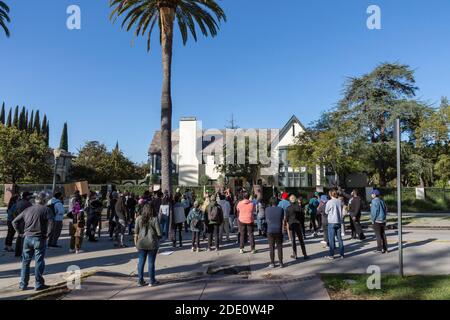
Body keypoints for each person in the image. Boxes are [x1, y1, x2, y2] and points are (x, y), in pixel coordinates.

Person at [12, 192, 52, 291]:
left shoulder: (27, 210)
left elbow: (14, 221)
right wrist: (48, 235)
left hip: (27, 238)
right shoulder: (46, 209)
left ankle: (23, 284)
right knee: (39, 261)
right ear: (44, 201)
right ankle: (38, 284)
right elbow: (51, 224)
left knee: (25, 262)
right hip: (39, 238)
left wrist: (20, 233)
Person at [134, 202, 162, 287]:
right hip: (152, 243)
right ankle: (152, 281)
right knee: (151, 263)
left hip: (141, 243)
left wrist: (136, 243)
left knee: (141, 262)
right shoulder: (154, 219)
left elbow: (136, 233)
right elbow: (159, 233)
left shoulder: (138, 218)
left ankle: (140, 280)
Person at [285, 194, 309, 260]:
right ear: (295, 200)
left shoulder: (288, 208)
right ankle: (305, 254)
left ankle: (295, 254)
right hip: (298, 224)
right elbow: (302, 216)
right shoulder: (299, 207)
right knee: (301, 240)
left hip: (291, 225)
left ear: (289, 200)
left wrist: (288, 222)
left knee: (293, 241)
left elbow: (286, 218)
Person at [265, 196, 284, 268]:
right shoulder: (281, 209)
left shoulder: (267, 209)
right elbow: (282, 218)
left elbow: (267, 219)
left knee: (271, 247)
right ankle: (281, 262)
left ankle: (272, 263)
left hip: (270, 230)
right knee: (279, 246)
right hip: (278, 229)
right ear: (277, 202)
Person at [325, 190, 345, 260]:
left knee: (331, 239)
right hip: (338, 221)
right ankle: (342, 254)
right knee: (339, 238)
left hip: (331, 221)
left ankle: (331, 255)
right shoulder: (339, 201)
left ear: (330, 195)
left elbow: (326, 211)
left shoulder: (329, 202)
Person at [14, 192, 33, 257]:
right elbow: (31, 213)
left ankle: (17, 252)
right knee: (24, 238)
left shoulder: (18, 202)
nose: (30, 197)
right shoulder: (28, 203)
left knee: (19, 237)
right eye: (29, 196)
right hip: (25, 222)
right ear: (27, 196)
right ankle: (23, 253)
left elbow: (15, 212)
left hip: (19, 221)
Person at [370, 189, 388, 253]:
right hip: (383, 220)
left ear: (374, 194)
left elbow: (374, 212)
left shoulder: (374, 201)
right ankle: (386, 249)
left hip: (377, 220)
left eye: (372, 194)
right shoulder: (381, 201)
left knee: (378, 235)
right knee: (383, 234)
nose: (371, 195)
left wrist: (372, 220)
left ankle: (379, 249)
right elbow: (386, 209)